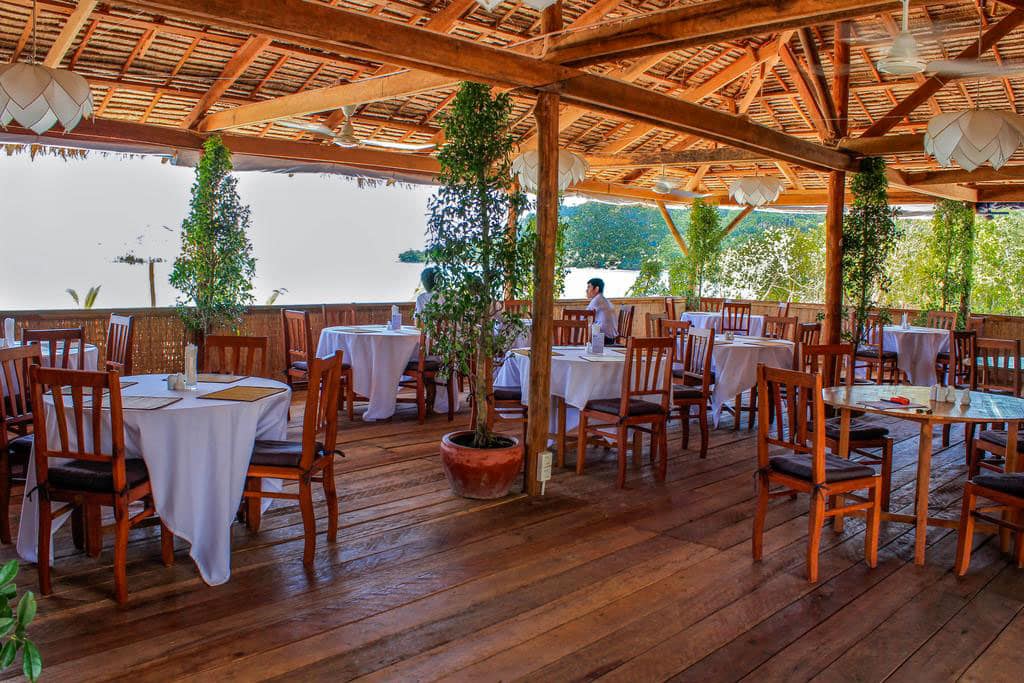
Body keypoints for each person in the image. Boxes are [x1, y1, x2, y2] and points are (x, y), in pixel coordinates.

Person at [585, 277, 618, 345]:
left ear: (596, 289)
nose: (586, 290)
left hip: (604, 338)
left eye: (589, 287)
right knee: (591, 326)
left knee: (586, 327)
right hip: (611, 338)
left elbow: (583, 316)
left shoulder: (597, 300)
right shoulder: (604, 300)